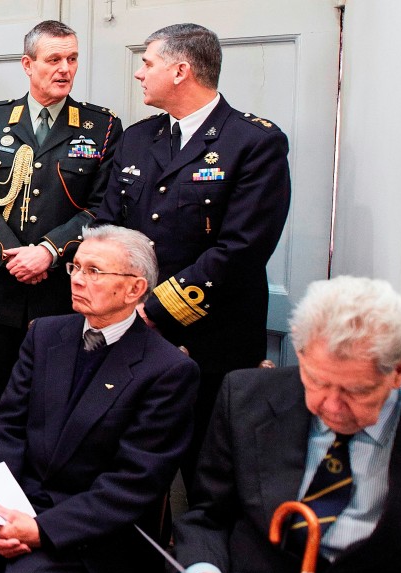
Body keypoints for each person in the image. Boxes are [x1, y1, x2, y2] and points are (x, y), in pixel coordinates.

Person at [0, 225, 198, 573]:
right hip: (15, 500)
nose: (78, 280)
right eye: (76, 267)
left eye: (95, 271)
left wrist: (40, 529)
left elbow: (133, 483)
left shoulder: (167, 370)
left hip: (91, 529)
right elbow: (5, 427)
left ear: (136, 289)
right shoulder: (46, 334)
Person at [149, 276, 401, 573]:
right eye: (316, 380)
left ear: (400, 370)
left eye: (355, 390)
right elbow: (208, 516)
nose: (330, 405)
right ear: (301, 352)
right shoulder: (247, 397)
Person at [97, 23, 291, 483]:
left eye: (147, 63)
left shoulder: (253, 142)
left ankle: (200, 557)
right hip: (132, 327)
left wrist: (156, 307)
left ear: (181, 70)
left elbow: (242, 248)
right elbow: (109, 223)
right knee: (127, 460)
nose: (140, 74)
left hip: (212, 337)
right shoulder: (139, 138)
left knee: (207, 469)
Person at [0, 20, 122, 470]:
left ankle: (37, 513)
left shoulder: (102, 126)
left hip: (62, 295)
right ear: (28, 64)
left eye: (72, 59)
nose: (65, 68)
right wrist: (13, 257)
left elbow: (102, 207)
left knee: (53, 412)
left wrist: (49, 252)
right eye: (54, 59)